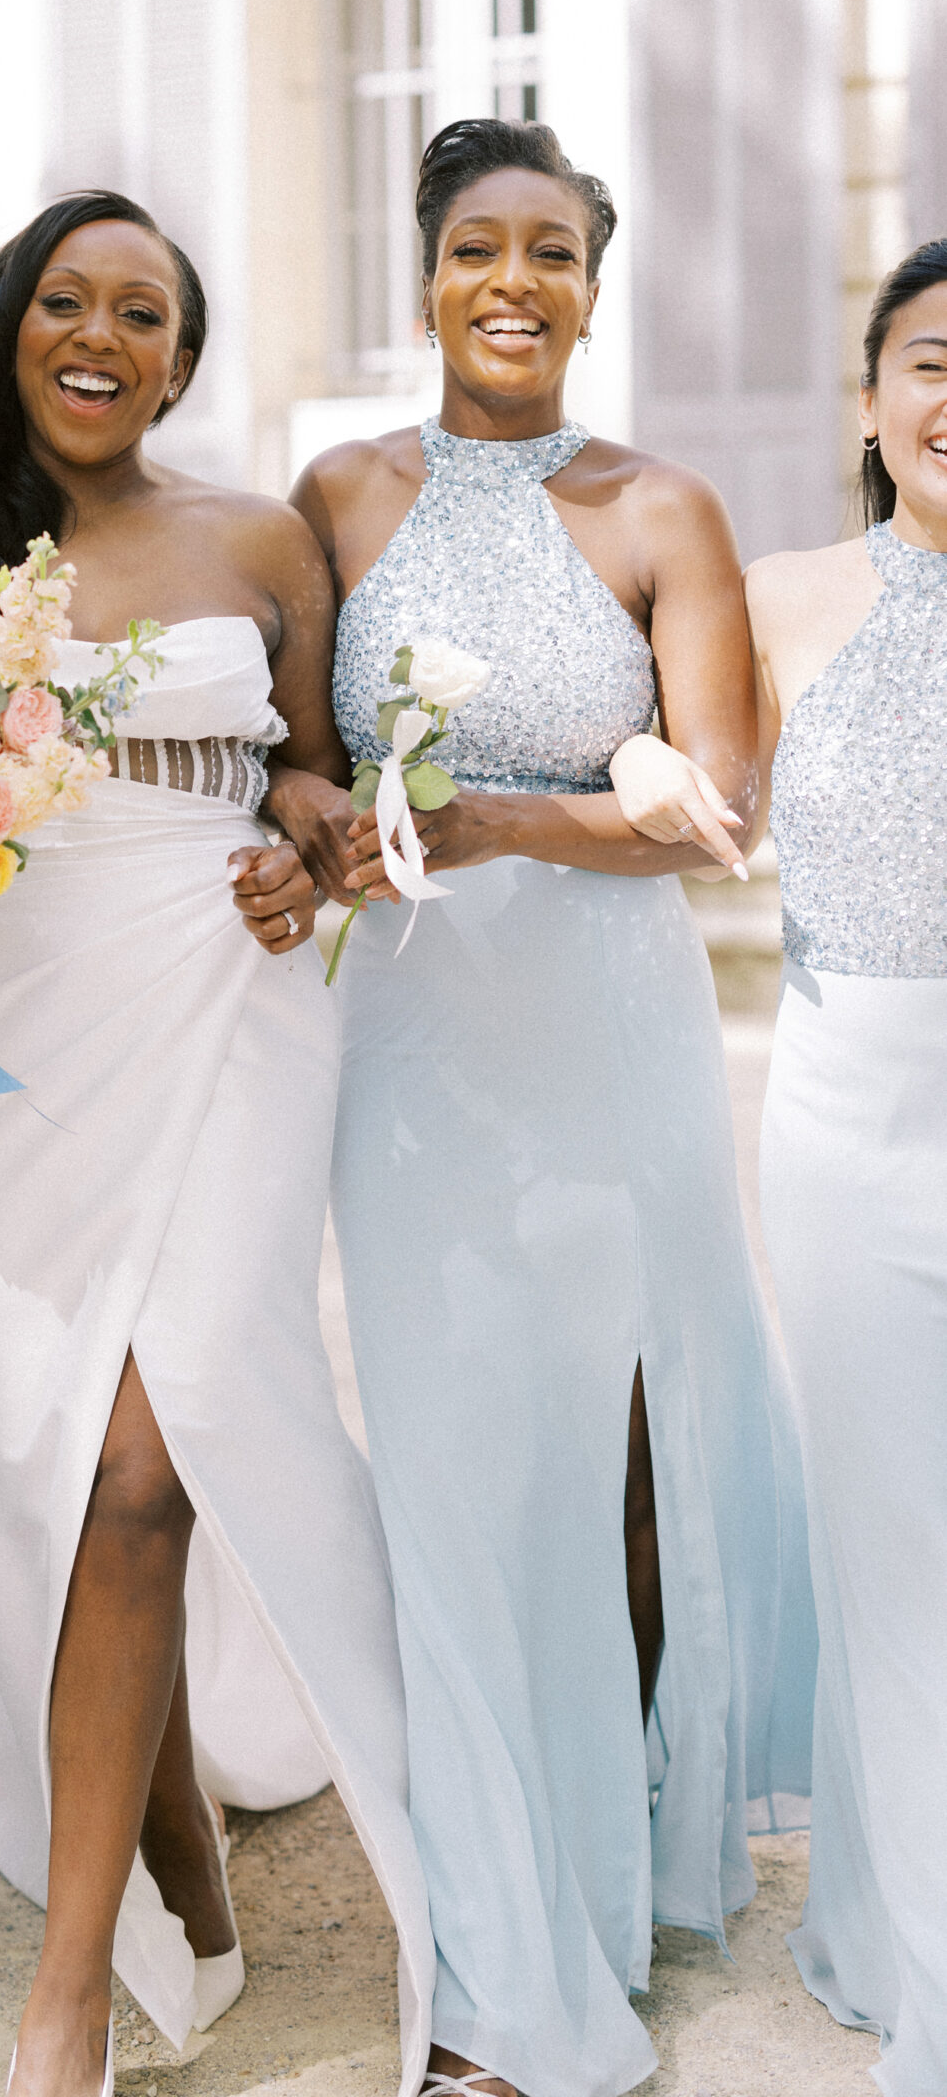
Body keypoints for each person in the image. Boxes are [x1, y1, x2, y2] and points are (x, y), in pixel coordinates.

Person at [0, 190, 435, 2097]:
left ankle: (65, 1994)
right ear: (12, 323)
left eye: (146, 313)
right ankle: (174, 1850)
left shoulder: (256, 535)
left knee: (147, 1463)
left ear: (183, 356)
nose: (101, 335)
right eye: (66, 301)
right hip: (23, 1037)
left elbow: (317, 762)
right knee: (60, 1458)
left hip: (234, 994)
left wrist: (303, 824)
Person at [285, 120, 815, 2097]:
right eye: (474, 248)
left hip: (606, 1042)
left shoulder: (659, 506)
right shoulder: (336, 494)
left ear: (595, 284)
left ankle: (619, 1857)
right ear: (419, 272)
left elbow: (715, 813)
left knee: (616, 1458)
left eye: (552, 252)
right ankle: (502, 1949)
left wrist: (502, 814)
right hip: (412, 1048)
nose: (512, 280)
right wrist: (321, 824)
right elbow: (293, 758)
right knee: (447, 1461)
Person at [725, 244, 945, 2093]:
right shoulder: (786, 595)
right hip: (858, 1118)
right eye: (936, 361)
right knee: (894, 1552)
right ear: (872, 401)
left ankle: (891, 1917)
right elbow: (686, 784)